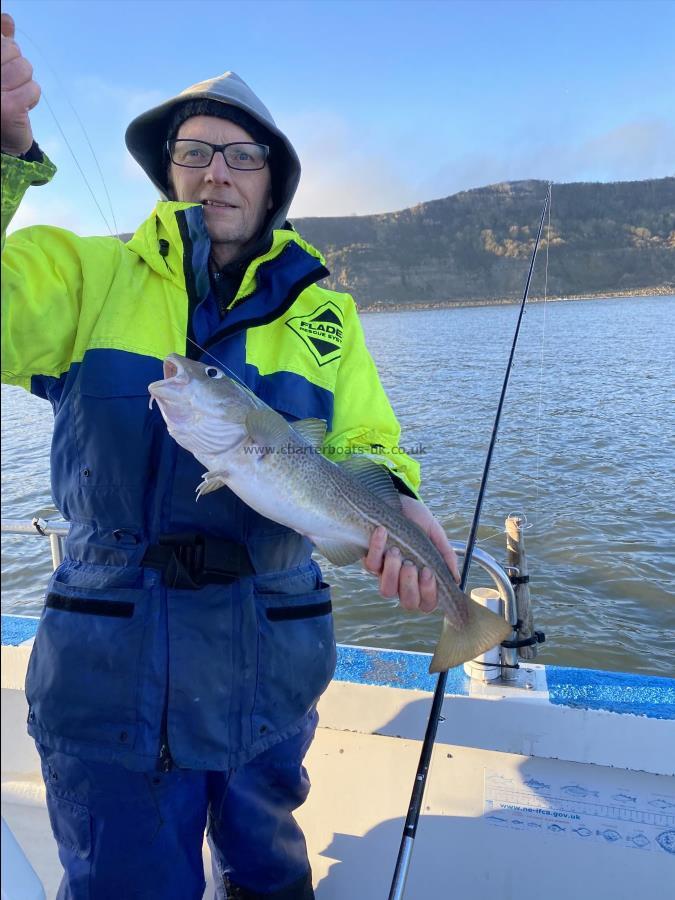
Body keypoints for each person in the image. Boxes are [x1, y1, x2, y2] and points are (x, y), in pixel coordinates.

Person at [1, 12, 459, 899]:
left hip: (270, 659)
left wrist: (397, 502)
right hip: (111, 668)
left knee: (270, 878)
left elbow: (365, 440)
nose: (216, 171)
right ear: (167, 172)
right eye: (194, 152)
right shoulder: (83, 277)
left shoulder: (326, 315)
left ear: (273, 178)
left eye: (241, 154)